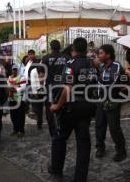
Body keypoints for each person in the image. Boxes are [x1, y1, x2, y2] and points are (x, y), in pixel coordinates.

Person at [49, 37, 97, 182]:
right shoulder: (91, 64)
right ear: (86, 49)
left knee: (59, 138)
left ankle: (56, 170)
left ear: (73, 49)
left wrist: (57, 105)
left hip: (72, 107)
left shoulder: (71, 63)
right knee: (83, 143)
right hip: (87, 107)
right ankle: (80, 178)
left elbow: (67, 88)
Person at [94, 44, 127, 162]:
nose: (99, 55)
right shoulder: (102, 67)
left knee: (114, 128)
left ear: (108, 54)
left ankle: (121, 150)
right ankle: (100, 147)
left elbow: (110, 84)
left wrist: (97, 70)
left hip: (112, 101)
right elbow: (99, 83)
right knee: (99, 126)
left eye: (101, 53)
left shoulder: (116, 66)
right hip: (100, 101)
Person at [41, 40, 68, 136]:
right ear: (60, 47)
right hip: (63, 87)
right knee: (63, 108)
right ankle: (62, 129)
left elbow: (42, 75)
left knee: (50, 110)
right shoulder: (66, 58)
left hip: (50, 87)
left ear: (50, 47)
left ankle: (53, 132)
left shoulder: (45, 58)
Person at [26, 49, 44, 130]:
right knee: (32, 102)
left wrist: (39, 87)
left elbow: (40, 75)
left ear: (34, 54)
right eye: (29, 54)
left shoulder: (37, 62)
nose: (30, 56)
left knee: (37, 105)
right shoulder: (28, 62)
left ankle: (39, 121)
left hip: (36, 86)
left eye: (31, 54)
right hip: (28, 84)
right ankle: (34, 114)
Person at [8, 65, 26, 137]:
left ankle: (21, 130)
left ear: (17, 70)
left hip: (20, 99)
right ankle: (15, 129)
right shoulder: (9, 77)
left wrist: (15, 89)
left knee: (20, 115)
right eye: (13, 69)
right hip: (12, 99)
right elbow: (8, 86)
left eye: (15, 69)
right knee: (13, 115)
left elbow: (23, 87)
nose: (14, 71)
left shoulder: (22, 77)